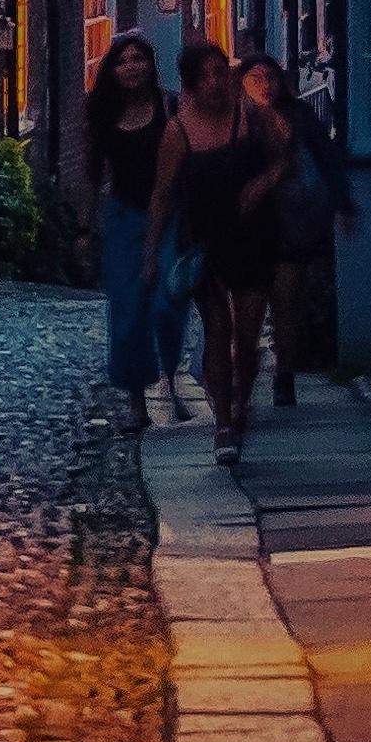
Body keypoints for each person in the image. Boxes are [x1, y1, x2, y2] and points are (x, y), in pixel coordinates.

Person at [145, 40, 282, 463]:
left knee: (248, 335)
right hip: (204, 241)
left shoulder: (251, 116)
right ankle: (222, 422)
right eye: (205, 77)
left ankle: (241, 404)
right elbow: (163, 196)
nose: (216, 84)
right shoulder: (178, 131)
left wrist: (261, 184)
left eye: (220, 72)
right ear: (190, 85)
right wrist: (151, 254)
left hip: (253, 234)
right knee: (218, 330)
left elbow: (283, 158)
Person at [240, 55, 358, 406]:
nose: (264, 84)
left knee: (286, 303)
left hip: (291, 222)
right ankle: (244, 376)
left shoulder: (300, 116)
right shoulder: (236, 121)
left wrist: (344, 205)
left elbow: (328, 159)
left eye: (269, 76)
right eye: (255, 77)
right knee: (248, 307)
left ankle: (284, 373)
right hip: (249, 227)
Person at [86, 32, 179, 428]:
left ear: (150, 64)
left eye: (138, 58)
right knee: (127, 314)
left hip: (172, 216)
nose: (131, 67)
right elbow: (93, 173)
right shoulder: (102, 113)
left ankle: (171, 377)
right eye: (123, 61)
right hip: (124, 217)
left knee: (166, 306)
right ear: (113, 69)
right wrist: (86, 226)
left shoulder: (171, 106)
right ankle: (137, 400)